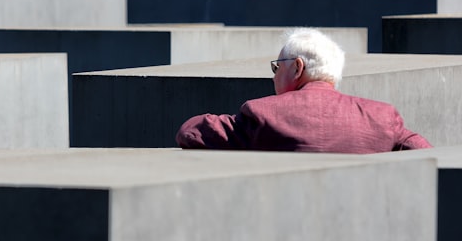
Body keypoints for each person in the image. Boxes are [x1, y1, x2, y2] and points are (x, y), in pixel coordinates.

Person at [174, 28, 432, 153]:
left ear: (297, 68)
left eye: (277, 67)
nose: (274, 75)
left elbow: (190, 132)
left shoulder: (262, 114)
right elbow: (427, 153)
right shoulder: (382, 117)